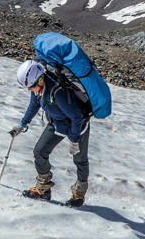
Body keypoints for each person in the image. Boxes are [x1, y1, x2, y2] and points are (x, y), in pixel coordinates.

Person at [12, 59, 90, 207]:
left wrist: (74, 141)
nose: (30, 90)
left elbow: (77, 117)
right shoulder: (37, 89)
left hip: (78, 126)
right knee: (40, 151)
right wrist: (22, 124)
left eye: (31, 87)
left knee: (80, 159)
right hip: (57, 123)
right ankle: (43, 189)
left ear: (40, 80)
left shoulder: (58, 91)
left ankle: (79, 195)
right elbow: (34, 104)